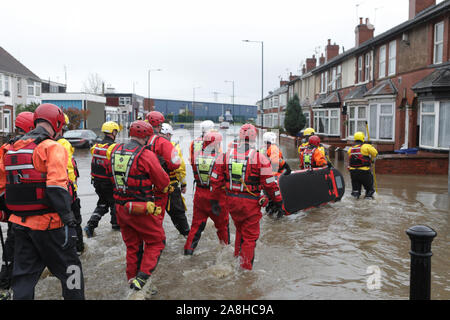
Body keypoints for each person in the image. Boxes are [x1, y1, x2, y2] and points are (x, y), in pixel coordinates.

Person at [0, 103, 84, 300]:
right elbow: (56, 187)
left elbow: (2, 189)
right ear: (56, 123)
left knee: (23, 278)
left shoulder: (9, 148)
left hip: (20, 225)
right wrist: (70, 221)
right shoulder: (51, 147)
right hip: (51, 225)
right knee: (73, 272)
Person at [210, 124, 283, 270]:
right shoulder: (259, 158)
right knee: (250, 237)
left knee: (239, 230)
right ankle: (245, 271)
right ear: (254, 138)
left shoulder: (225, 155)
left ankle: (237, 257)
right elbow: (270, 185)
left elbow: (215, 180)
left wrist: (214, 201)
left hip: (231, 202)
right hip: (250, 204)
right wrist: (278, 200)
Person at [109, 120, 169, 291]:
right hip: (140, 209)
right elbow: (163, 182)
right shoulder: (146, 155)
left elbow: (108, 176)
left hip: (120, 207)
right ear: (147, 137)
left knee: (132, 246)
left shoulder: (114, 150)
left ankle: (132, 280)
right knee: (157, 241)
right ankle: (141, 281)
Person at [0, 111, 35, 300]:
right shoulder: (33, 148)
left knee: (12, 249)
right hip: (25, 211)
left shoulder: (6, 148)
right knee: (17, 248)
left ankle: (5, 287)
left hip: (11, 209)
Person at [184, 130, 230, 255]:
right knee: (223, 227)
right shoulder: (222, 158)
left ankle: (188, 251)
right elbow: (226, 178)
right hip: (217, 197)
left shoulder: (195, 156)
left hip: (199, 195)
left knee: (196, 226)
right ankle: (225, 252)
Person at [84, 121, 120, 237]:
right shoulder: (114, 147)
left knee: (102, 204)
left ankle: (90, 226)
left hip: (97, 183)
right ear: (113, 132)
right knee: (115, 204)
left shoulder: (96, 147)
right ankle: (115, 230)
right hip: (108, 183)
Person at [56, 114, 84, 254]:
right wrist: (72, 189)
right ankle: (78, 250)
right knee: (74, 221)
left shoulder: (41, 142)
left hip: (53, 192)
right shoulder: (63, 143)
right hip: (67, 191)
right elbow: (67, 168)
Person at [159, 123, 190, 237]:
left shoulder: (150, 145)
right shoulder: (173, 147)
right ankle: (187, 237)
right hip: (171, 187)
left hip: (153, 189)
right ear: (167, 134)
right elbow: (180, 169)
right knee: (179, 215)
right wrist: (184, 184)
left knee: (155, 219)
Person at [347, 132, 378, 199]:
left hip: (353, 173)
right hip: (364, 172)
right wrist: (371, 146)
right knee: (369, 190)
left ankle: (355, 199)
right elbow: (375, 153)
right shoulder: (366, 146)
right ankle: (368, 202)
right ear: (363, 138)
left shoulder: (351, 149)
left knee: (355, 191)